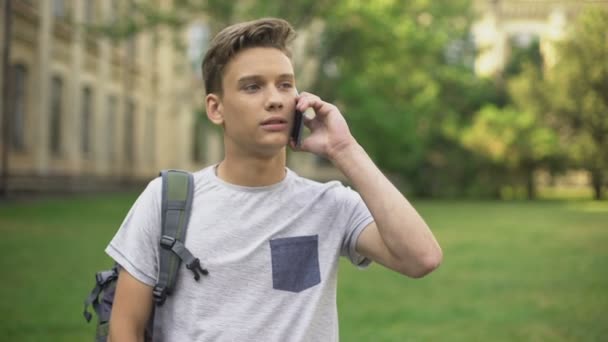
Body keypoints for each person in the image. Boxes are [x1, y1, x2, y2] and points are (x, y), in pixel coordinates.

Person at [106, 17, 442, 341]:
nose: (275, 99)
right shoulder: (167, 200)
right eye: (252, 87)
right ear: (216, 108)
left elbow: (421, 258)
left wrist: (345, 149)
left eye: (285, 84)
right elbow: (125, 329)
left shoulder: (330, 204)